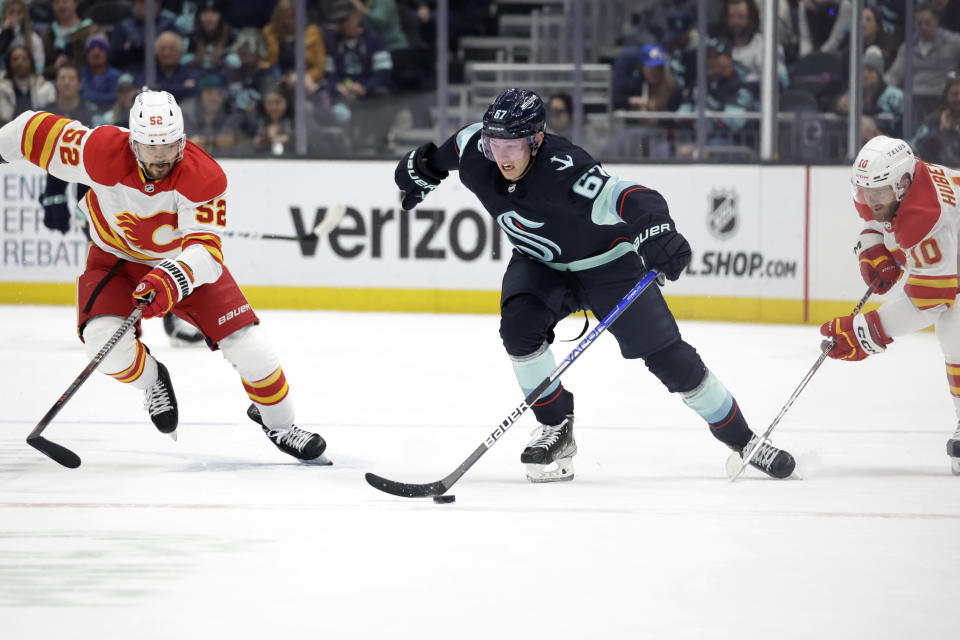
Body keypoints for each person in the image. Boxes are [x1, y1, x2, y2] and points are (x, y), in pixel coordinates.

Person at [394, 87, 796, 482]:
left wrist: (657, 231)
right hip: (540, 264)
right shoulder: (474, 147)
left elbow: (635, 197)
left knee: (670, 360)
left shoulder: (567, 168)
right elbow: (443, 155)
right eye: (494, 144)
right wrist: (423, 168)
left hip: (609, 268)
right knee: (518, 328)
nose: (501, 156)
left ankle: (745, 442)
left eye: (512, 146)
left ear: (536, 139)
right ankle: (556, 428)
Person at [0, 89, 327, 462]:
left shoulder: (205, 177)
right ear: (133, 141)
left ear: (182, 141)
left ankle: (280, 425)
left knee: (252, 348)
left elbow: (205, 252)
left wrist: (169, 278)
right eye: (151, 147)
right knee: (104, 347)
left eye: (169, 146)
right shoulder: (99, 150)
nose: (160, 157)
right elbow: (31, 131)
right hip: (114, 259)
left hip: (182, 262)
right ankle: (153, 379)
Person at [821, 135, 960, 474]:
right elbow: (877, 217)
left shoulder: (927, 217)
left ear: (903, 184)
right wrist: (872, 245)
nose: (870, 199)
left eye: (878, 192)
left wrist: (865, 332)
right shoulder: (895, 188)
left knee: (955, 331)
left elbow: (932, 300)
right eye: (865, 190)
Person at [0, 45, 55, 123]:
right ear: (9, 63)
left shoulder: (44, 85)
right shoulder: (2, 89)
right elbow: (4, 118)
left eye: (24, 59)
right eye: (15, 59)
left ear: (31, 62)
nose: (20, 62)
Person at [0, 0, 44, 75]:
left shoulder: (34, 39)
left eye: (19, 13)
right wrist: (5, 34)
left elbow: (39, 67)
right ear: (5, 14)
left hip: (27, 77)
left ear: (24, 15)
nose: (15, 16)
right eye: (11, 12)